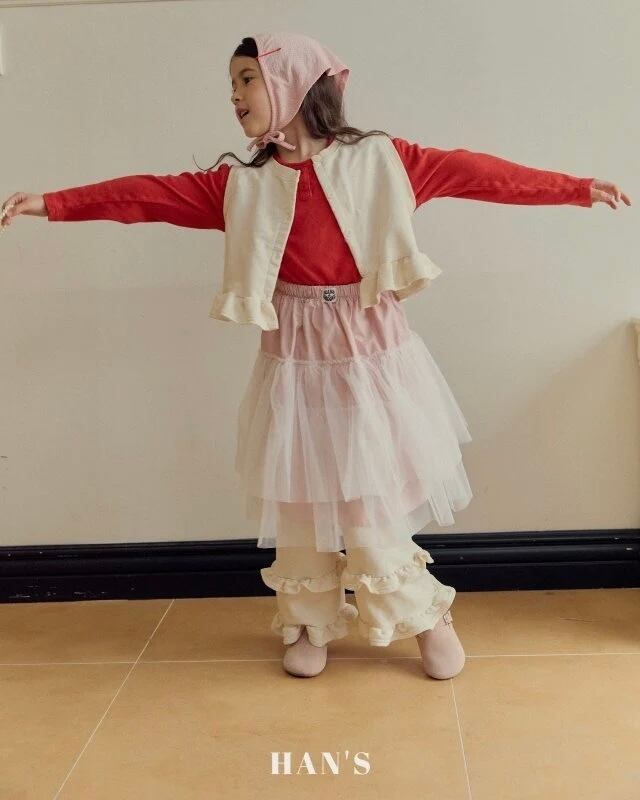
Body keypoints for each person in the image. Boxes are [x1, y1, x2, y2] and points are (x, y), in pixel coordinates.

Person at [0, 32, 631, 681]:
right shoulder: (242, 186)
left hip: (370, 354)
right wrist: (53, 204)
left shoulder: (384, 160)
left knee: (369, 498)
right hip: (293, 358)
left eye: (247, 79)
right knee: (299, 499)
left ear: (293, 82)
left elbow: (479, 174)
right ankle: (310, 621)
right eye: (233, 83)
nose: (234, 95)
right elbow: (145, 197)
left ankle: (422, 616)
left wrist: (576, 188)